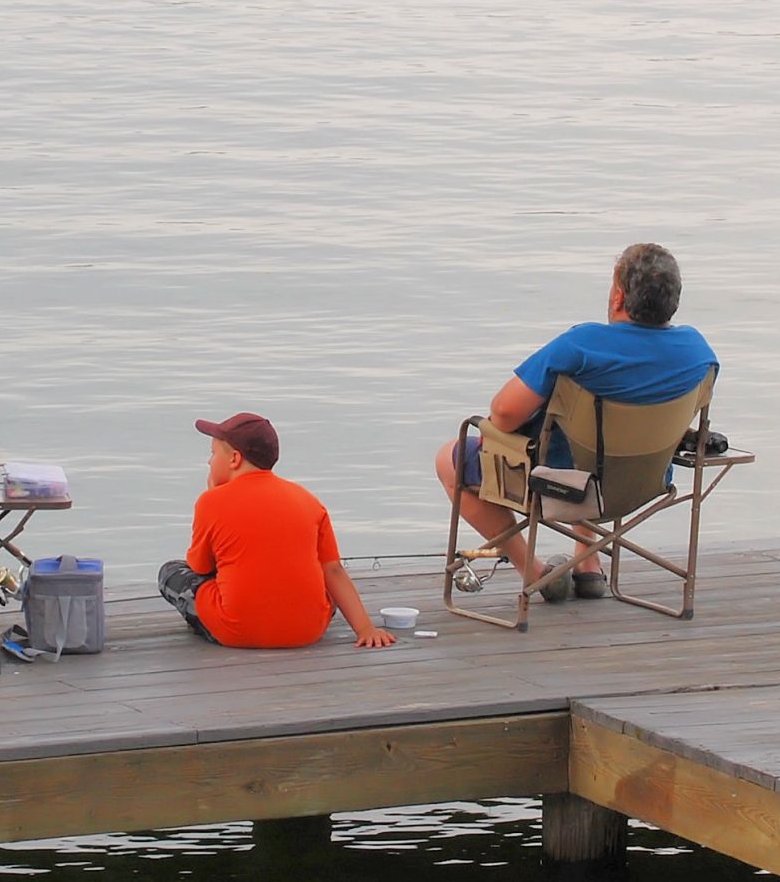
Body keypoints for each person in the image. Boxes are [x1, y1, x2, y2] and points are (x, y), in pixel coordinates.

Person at [434, 242, 717, 600]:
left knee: (451, 458)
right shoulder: (698, 350)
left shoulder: (583, 345)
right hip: (645, 484)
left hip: (565, 487)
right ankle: (588, 563)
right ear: (673, 300)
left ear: (618, 296)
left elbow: (503, 415)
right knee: (588, 442)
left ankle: (536, 574)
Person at [160, 413, 396, 650]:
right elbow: (333, 569)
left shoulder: (210, 501)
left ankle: (207, 622)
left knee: (172, 572)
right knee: (322, 581)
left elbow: (200, 567)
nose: (209, 462)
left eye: (212, 454)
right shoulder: (308, 499)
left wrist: (213, 493)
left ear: (234, 459)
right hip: (309, 630)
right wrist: (365, 628)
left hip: (237, 631)